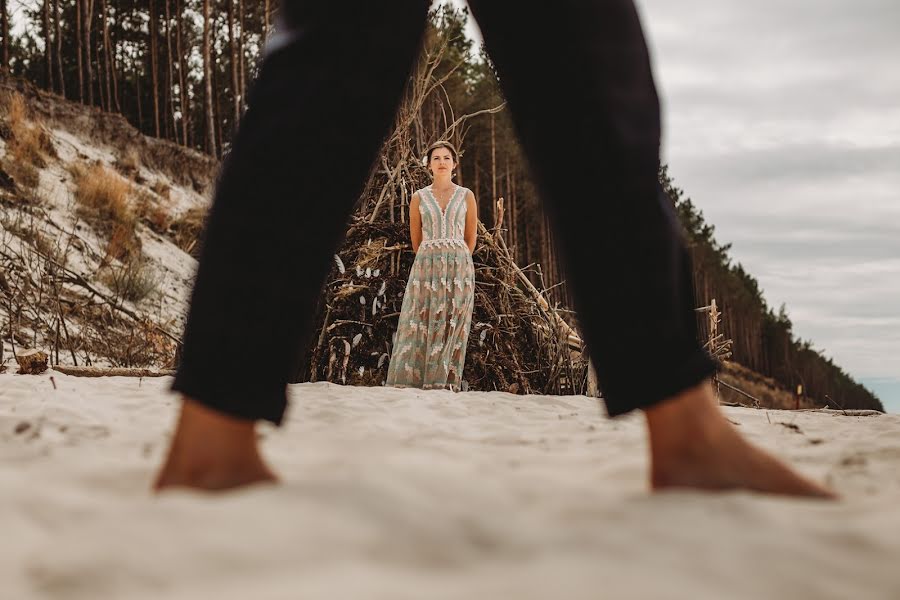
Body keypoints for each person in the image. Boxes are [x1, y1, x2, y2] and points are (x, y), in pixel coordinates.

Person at [154, 0, 834, 498]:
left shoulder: (465, 197)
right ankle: (213, 432)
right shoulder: (424, 197)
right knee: (350, 45)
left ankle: (685, 426)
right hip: (435, 264)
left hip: (454, 267)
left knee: (580, 56)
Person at [385, 141, 477, 391]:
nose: (441, 162)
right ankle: (416, 381)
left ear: (454, 164)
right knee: (422, 319)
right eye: (436, 158)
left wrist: (456, 260)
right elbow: (416, 240)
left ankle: (444, 382)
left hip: (459, 269)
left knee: (452, 321)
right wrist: (434, 258)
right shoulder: (419, 197)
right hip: (426, 266)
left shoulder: (466, 195)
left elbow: (471, 238)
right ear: (428, 164)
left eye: (447, 158)